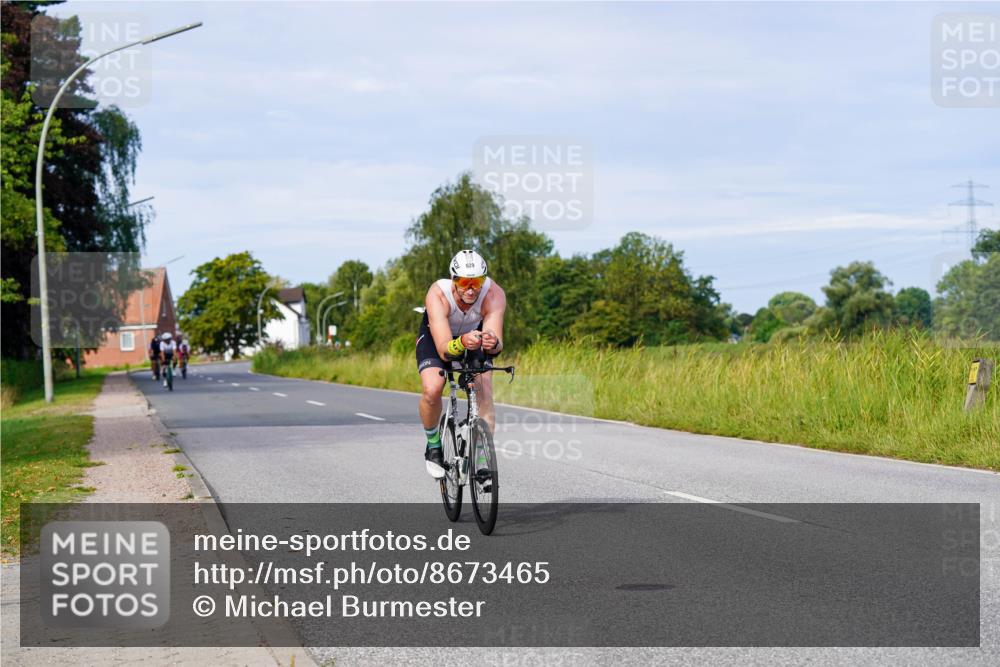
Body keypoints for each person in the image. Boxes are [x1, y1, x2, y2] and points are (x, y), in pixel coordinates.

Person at [416, 249, 506, 478]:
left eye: (477, 282)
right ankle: (434, 445)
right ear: (454, 280)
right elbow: (445, 351)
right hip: (438, 339)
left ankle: (483, 461)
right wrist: (462, 342)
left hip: (472, 339)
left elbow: (496, 347)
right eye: (465, 282)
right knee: (432, 389)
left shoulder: (494, 295)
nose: (470, 288)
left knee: (484, 392)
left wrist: (492, 342)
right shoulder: (438, 294)